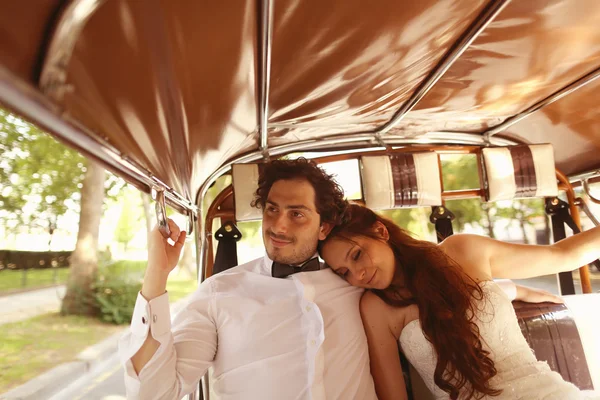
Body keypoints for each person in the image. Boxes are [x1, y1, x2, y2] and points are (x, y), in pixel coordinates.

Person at [118, 158, 378, 399]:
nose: (278, 227)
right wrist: (157, 273)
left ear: (324, 228)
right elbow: (153, 394)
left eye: (296, 214)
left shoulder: (356, 286)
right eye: (272, 209)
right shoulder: (217, 293)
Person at [319, 203, 600, 400]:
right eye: (344, 273)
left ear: (380, 232)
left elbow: (563, 254)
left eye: (356, 255)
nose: (358, 274)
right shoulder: (376, 307)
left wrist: (512, 290)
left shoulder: (462, 251)